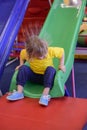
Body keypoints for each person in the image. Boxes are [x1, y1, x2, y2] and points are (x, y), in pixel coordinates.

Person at [6, 35, 66, 106]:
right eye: (40, 56)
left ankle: (45, 95)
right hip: (34, 76)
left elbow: (62, 52)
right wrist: (21, 64)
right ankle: (19, 92)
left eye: (44, 55)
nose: (42, 57)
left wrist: (61, 65)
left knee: (51, 69)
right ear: (31, 54)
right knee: (23, 68)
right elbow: (22, 54)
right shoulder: (27, 53)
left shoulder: (49, 50)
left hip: (47, 78)